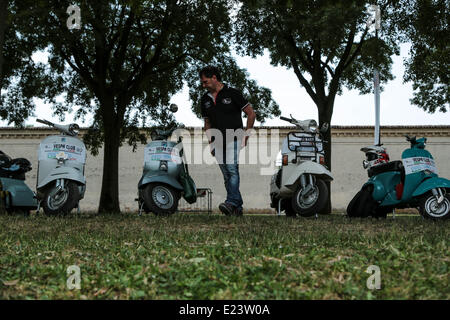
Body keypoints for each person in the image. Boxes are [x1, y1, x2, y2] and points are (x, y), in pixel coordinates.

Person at [199, 66, 256, 216]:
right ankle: (237, 207)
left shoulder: (233, 94)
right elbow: (207, 124)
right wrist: (211, 144)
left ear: (214, 78)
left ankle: (231, 202)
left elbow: (251, 114)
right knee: (226, 175)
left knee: (232, 170)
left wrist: (246, 135)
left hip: (234, 138)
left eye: (205, 82)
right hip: (217, 141)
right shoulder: (205, 99)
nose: (203, 85)